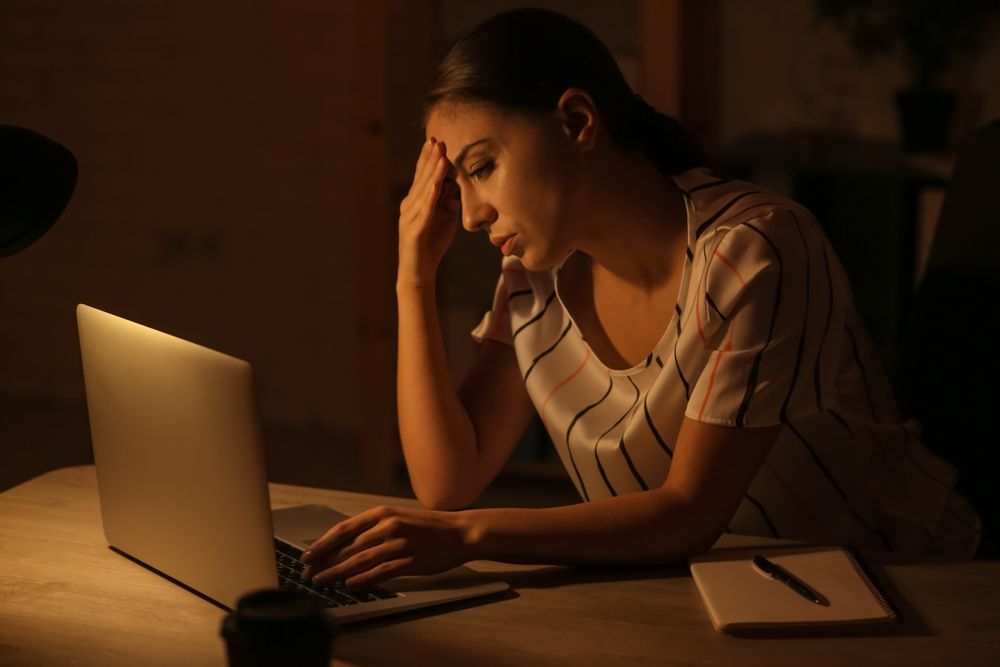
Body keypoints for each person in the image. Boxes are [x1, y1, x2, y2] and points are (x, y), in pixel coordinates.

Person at [301, 8, 981, 588]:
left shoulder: (754, 251)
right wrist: (412, 278)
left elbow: (689, 511)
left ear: (575, 121)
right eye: (457, 185)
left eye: (481, 167)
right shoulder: (533, 282)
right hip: (701, 592)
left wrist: (470, 535)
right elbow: (447, 480)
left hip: (894, 588)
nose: (472, 214)